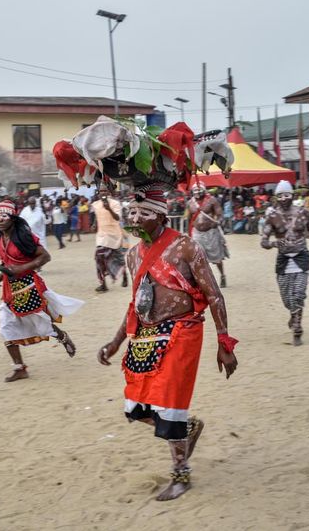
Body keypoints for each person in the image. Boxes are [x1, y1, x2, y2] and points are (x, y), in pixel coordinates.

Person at [97, 184, 238, 501]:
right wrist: (116, 341)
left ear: (160, 216)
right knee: (136, 408)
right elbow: (136, 303)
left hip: (182, 331)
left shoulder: (186, 247)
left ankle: (181, 475)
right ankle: (188, 429)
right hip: (146, 334)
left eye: (143, 212)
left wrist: (224, 343)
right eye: (131, 211)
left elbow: (214, 295)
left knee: (169, 407)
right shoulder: (133, 254)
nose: (134, 217)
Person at [0, 200, 82, 381]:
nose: (0, 220)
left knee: (42, 325)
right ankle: (19, 368)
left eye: (4, 216)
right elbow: (7, 262)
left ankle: (62, 336)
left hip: (28, 287)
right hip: (9, 290)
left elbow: (45, 256)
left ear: (12, 217)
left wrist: (21, 269)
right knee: (5, 327)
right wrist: (1, 275)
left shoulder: (23, 236)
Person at [261, 180, 309, 346]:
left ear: (292, 196)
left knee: (298, 294)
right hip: (283, 260)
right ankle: (293, 315)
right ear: (276, 197)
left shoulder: (303, 213)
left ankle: (297, 329)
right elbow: (263, 241)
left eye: (287, 195)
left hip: (302, 258)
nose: (284, 198)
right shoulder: (272, 216)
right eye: (280, 196)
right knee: (287, 299)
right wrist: (274, 244)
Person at [188, 183, 229, 287]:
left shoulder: (212, 200)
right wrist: (189, 232)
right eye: (195, 191)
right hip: (197, 233)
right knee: (197, 257)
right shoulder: (190, 203)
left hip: (211, 233)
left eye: (199, 190)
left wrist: (218, 221)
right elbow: (189, 218)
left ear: (203, 190)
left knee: (217, 258)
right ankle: (201, 281)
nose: (197, 193)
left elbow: (220, 214)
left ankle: (222, 275)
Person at [93, 188, 127, 292]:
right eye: (101, 191)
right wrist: (94, 224)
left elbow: (117, 218)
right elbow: (97, 216)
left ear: (109, 193)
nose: (102, 193)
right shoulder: (95, 204)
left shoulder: (115, 203)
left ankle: (124, 275)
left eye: (105, 191)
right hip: (101, 235)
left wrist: (109, 209)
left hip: (114, 235)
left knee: (117, 258)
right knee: (99, 258)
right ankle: (103, 284)